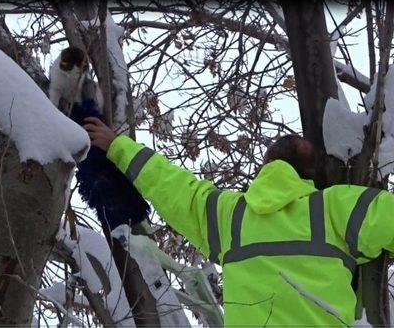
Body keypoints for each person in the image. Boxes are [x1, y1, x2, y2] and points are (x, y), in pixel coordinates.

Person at [83, 116, 394, 326]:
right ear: (314, 175)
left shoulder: (230, 216)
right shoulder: (337, 207)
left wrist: (116, 146)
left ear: (266, 166)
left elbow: (172, 187)